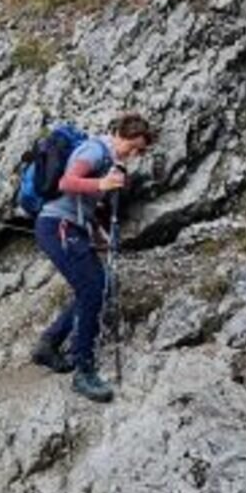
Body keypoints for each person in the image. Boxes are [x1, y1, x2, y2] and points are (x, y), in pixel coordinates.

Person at [28, 113, 155, 403]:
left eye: (141, 151)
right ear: (122, 135)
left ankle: (49, 345)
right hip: (56, 225)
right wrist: (101, 186)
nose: (136, 155)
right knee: (92, 289)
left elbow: (84, 204)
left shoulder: (110, 160)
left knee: (101, 285)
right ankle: (83, 370)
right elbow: (66, 183)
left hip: (72, 226)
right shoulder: (95, 150)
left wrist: (98, 234)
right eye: (135, 147)